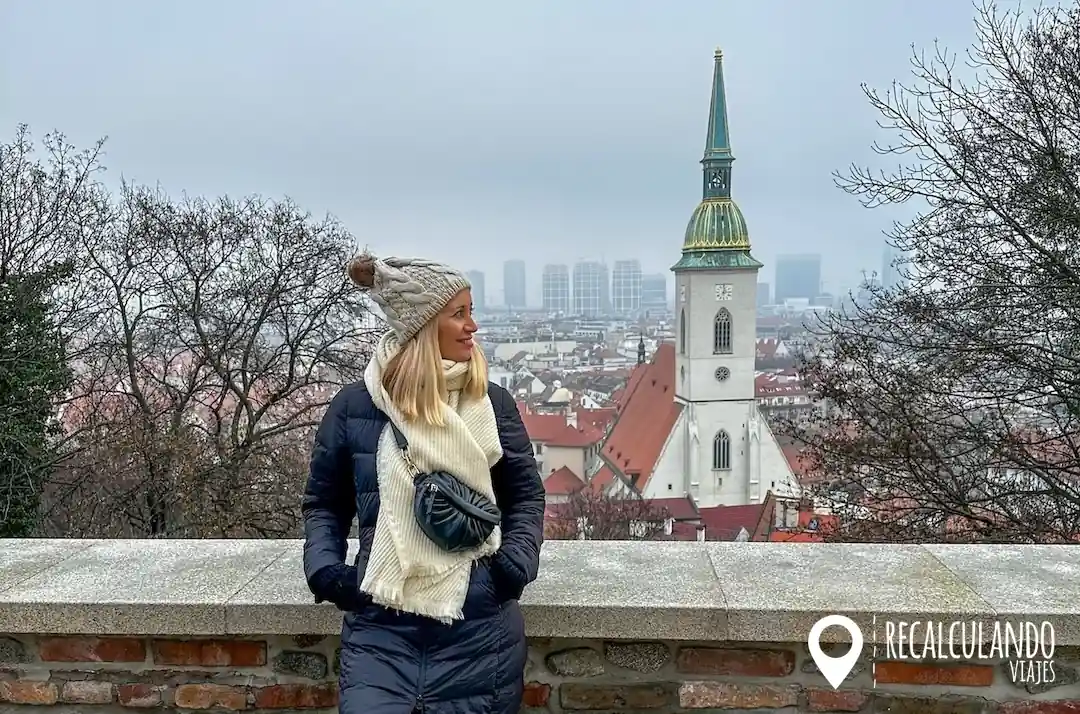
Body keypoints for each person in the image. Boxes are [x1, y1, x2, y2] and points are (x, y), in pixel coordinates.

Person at [301, 253, 546, 714]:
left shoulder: (491, 404)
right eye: (459, 313)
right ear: (423, 326)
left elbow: (525, 497)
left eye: (471, 311)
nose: (473, 326)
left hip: (479, 631)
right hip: (380, 632)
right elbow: (324, 504)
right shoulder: (355, 407)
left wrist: (510, 569)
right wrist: (328, 573)